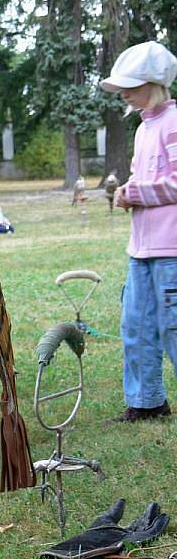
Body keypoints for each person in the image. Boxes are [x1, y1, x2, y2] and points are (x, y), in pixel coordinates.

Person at [100, 41, 177, 422]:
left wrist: (136, 193)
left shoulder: (174, 123)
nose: (125, 93)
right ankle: (147, 402)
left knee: (172, 327)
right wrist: (129, 192)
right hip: (141, 250)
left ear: (154, 83)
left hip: (171, 250)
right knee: (136, 325)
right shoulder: (143, 128)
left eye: (130, 85)